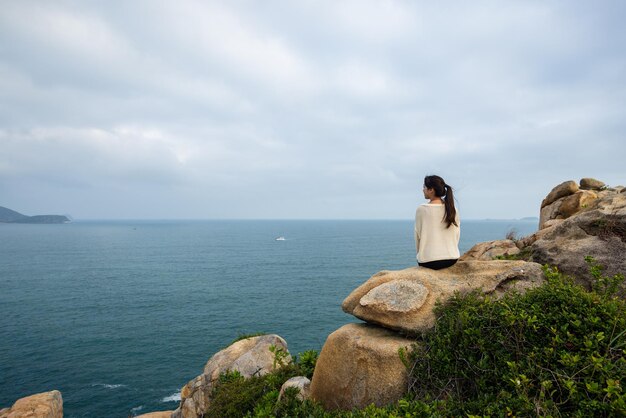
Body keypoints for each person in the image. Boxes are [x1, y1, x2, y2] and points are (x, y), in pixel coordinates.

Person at [414, 175, 460, 269]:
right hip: (451, 259)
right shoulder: (452, 208)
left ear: (431, 190)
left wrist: (420, 255)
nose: (423, 190)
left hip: (428, 262)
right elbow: (457, 234)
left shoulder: (422, 209)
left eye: (424, 187)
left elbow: (418, 236)